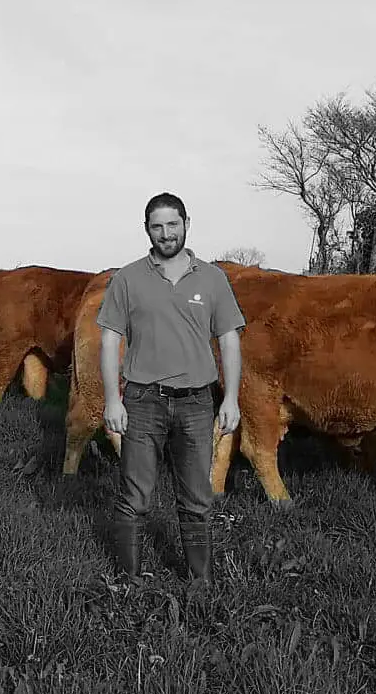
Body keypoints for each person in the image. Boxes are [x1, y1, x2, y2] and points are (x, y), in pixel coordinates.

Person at [96, 192, 244, 583]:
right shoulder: (127, 278)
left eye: (172, 225)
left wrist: (230, 398)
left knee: (197, 499)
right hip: (143, 399)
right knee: (135, 498)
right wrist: (113, 399)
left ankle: (200, 584)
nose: (166, 234)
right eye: (157, 227)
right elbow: (110, 340)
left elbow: (229, 339)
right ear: (147, 230)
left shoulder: (212, 278)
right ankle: (129, 584)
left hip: (197, 402)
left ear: (186, 224)